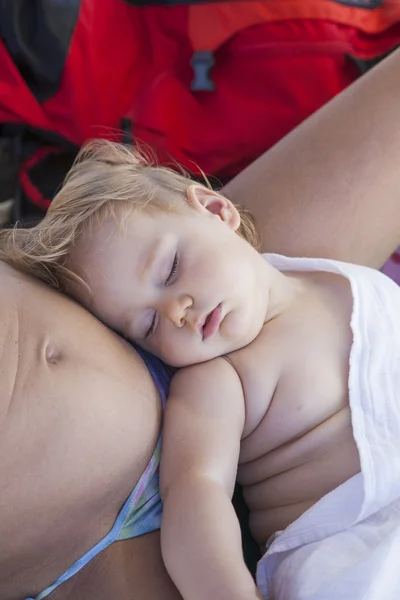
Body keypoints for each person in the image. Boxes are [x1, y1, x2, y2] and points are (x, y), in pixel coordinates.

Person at [1, 47, 400, 600]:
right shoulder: (218, 381)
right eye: (146, 324)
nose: (177, 312)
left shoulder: (328, 276)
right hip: (356, 548)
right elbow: (197, 494)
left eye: (169, 269)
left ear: (217, 211)